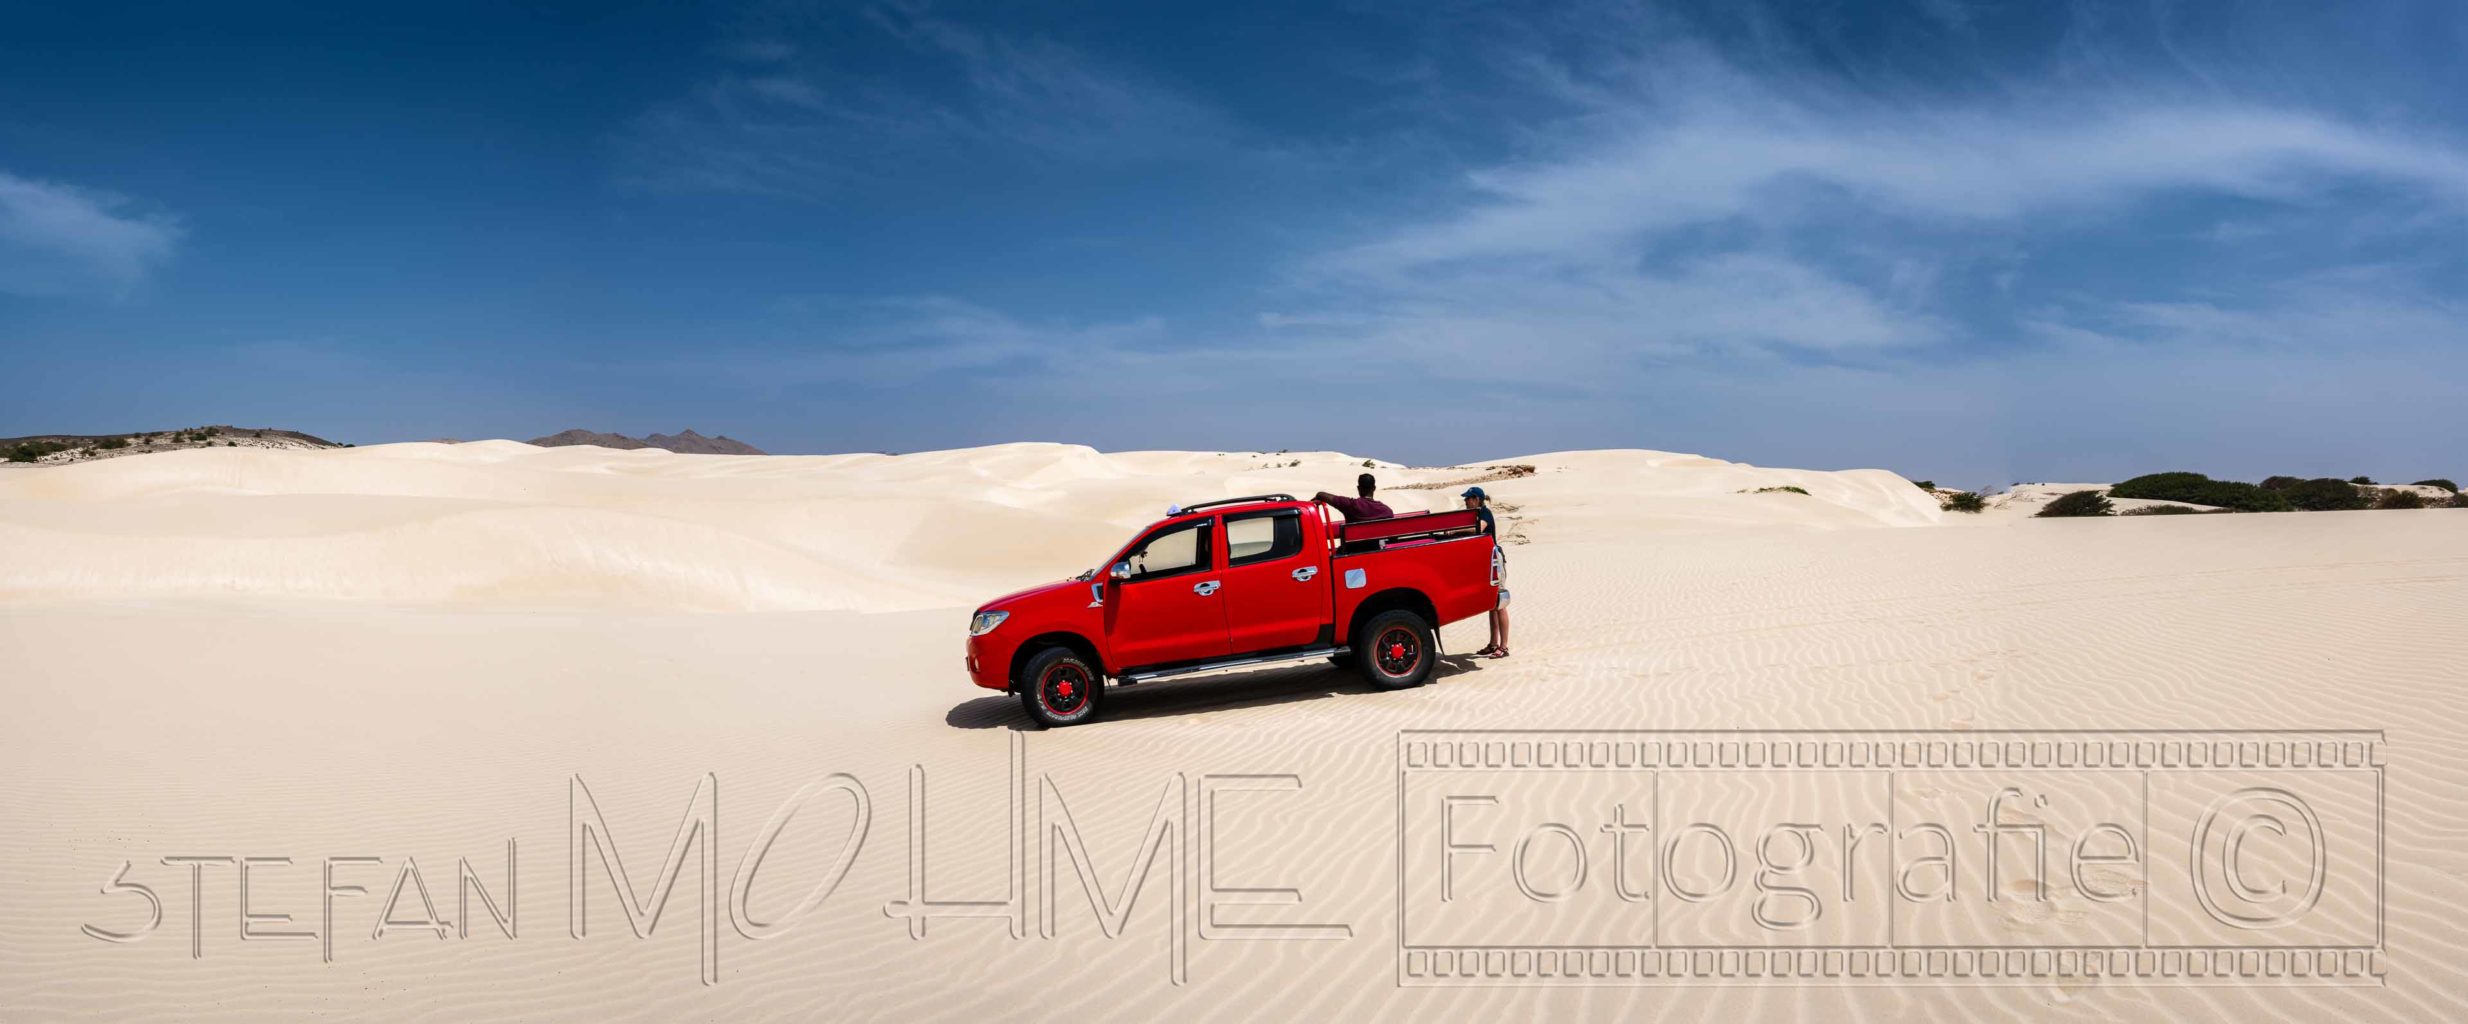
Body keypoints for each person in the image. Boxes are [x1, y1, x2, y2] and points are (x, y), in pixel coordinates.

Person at [1463, 486, 1511, 659]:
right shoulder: (1477, 513)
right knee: (1492, 604)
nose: (1465, 502)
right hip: (1487, 563)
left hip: (1495, 561)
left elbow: (1479, 529)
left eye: (1468, 499)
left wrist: (1456, 530)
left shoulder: (1484, 513)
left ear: (1476, 499)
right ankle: (1493, 644)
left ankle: (1504, 647)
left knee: (1500, 602)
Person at [1314, 472, 1393, 523]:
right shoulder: (1386, 511)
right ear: (1374, 488)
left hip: (1353, 548)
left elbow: (1321, 494)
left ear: (1358, 488)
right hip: (1377, 548)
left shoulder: (1351, 505)